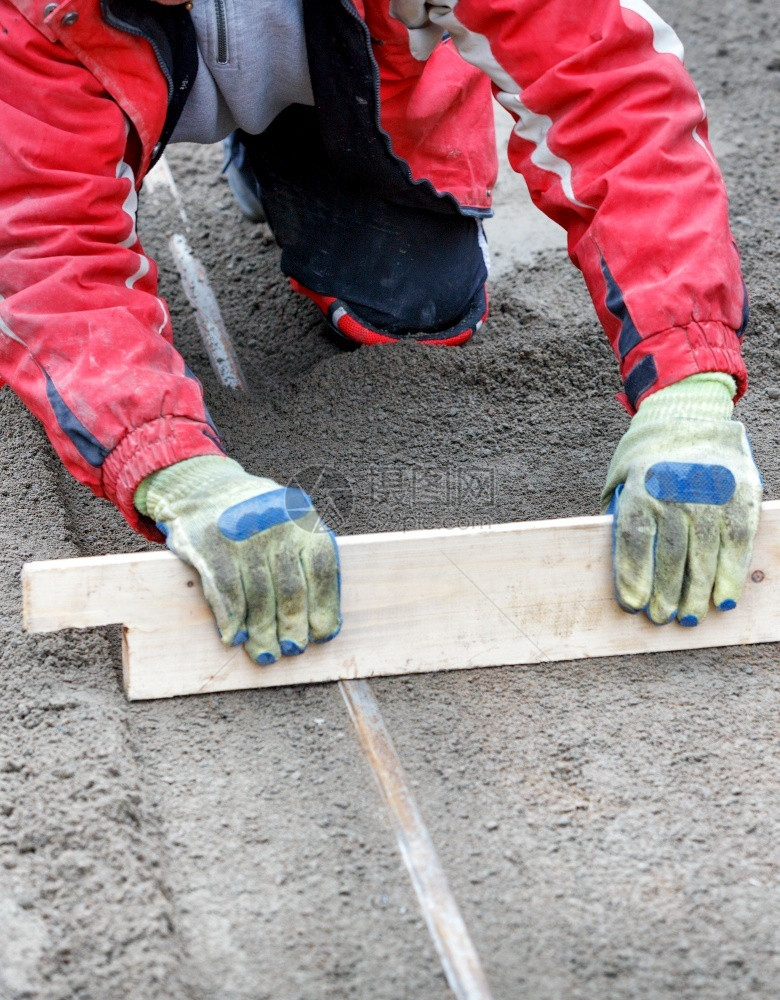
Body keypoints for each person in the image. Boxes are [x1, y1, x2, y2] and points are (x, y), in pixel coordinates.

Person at [1, 0, 762, 665]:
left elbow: (615, 103)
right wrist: (169, 462)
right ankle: (186, 120)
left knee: (417, 304)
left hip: (361, 60)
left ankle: (293, 159)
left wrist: (687, 386)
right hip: (98, 77)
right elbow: (44, 250)